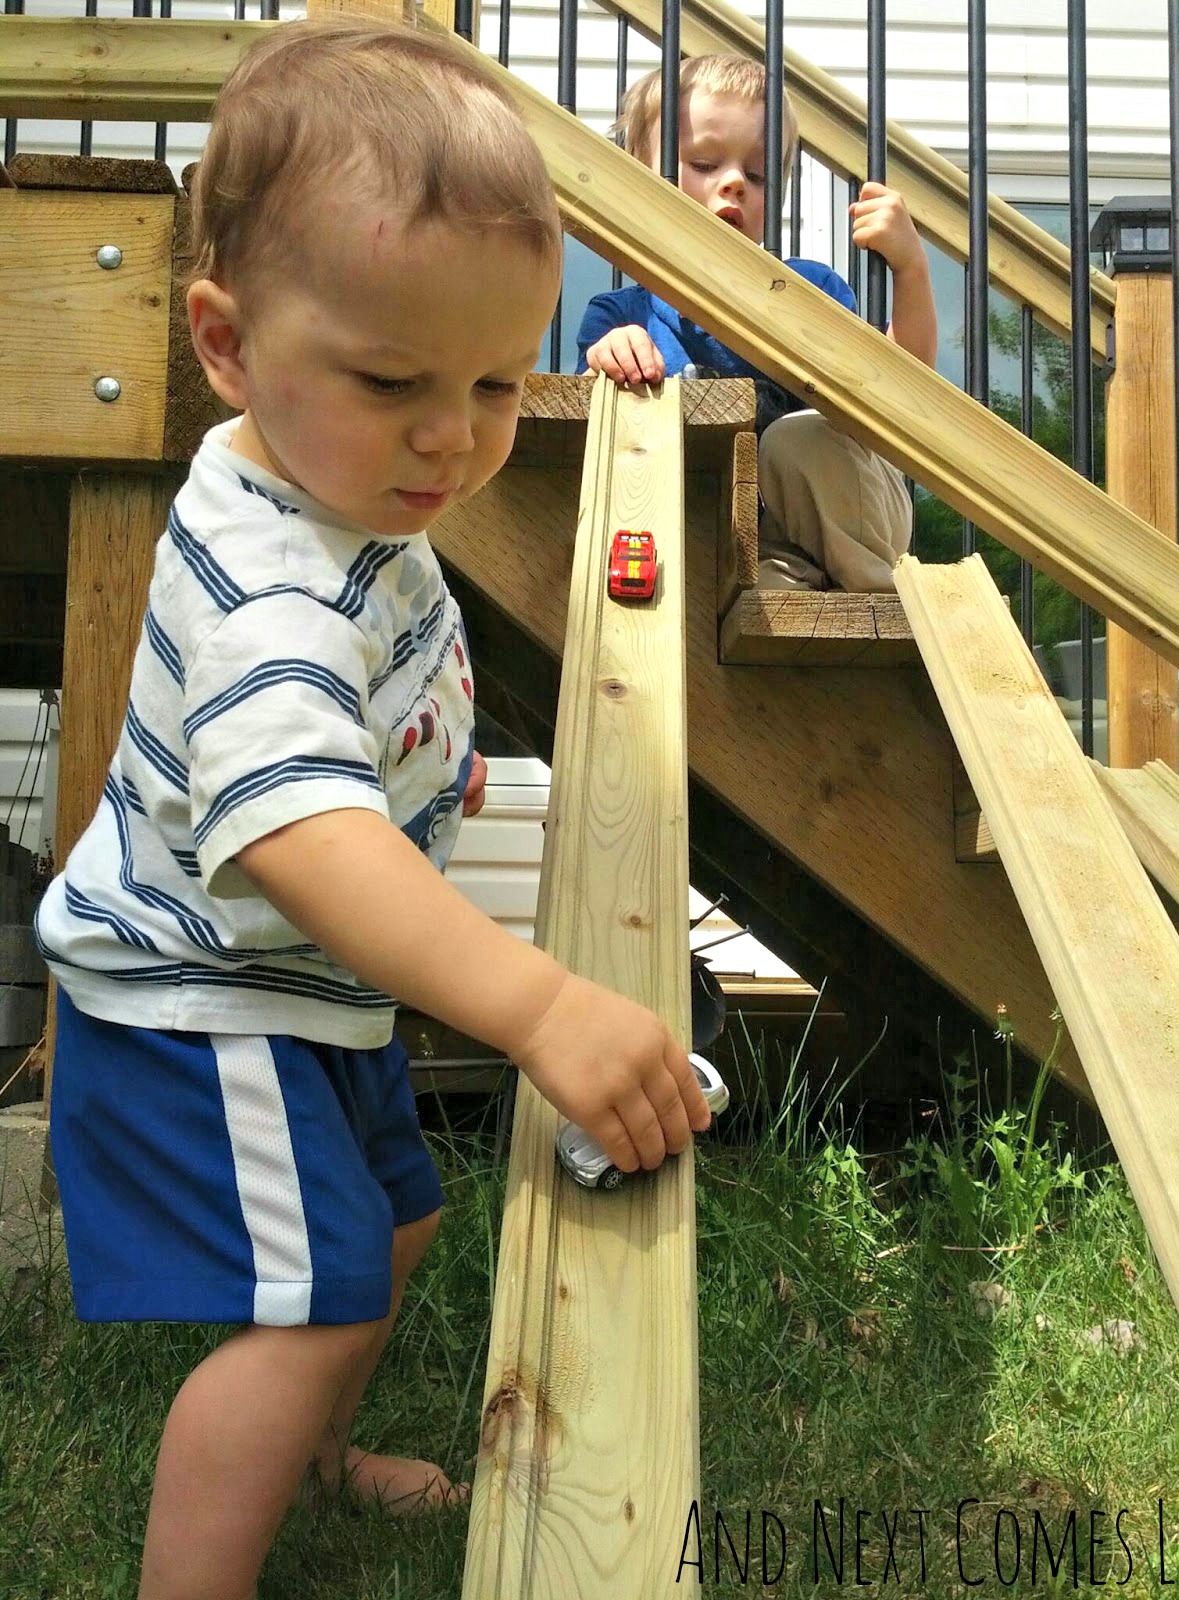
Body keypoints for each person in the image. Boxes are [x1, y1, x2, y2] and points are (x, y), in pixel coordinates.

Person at [33, 19, 710, 1599]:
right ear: (222, 343)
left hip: (305, 991)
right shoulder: (269, 588)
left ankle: (317, 1455)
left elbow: (372, 708)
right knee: (321, 1300)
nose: (454, 435)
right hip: (203, 998)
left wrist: (444, 765)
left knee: (392, 1228)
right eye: (397, 379)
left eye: (492, 379)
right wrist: (537, 1006)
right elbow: (298, 836)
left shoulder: (332, 476)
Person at [577, 55, 939, 593]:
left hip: (850, 521)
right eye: (702, 164)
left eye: (756, 173)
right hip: (743, 545)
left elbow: (902, 390)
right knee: (742, 581)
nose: (732, 184)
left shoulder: (811, 292)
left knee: (796, 440)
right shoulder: (622, 315)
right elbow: (583, 433)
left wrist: (910, 268)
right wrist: (610, 358)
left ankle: (884, 598)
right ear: (640, 176)